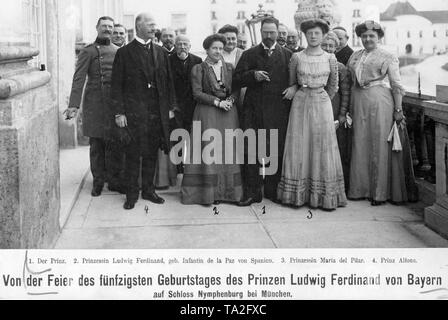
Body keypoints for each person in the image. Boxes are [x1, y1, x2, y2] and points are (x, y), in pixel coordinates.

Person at [277, 19, 347, 211]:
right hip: (300, 102)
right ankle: (297, 194)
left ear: (323, 35)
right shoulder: (296, 57)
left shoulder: (330, 58)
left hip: (322, 102)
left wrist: (320, 96)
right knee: (300, 144)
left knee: (322, 145)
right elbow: (292, 82)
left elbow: (333, 86)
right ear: (305, 35)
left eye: (317, 33)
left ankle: (322, 195)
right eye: (310, 33)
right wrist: (299, 90)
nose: (313, 36)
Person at [110, 13, 178, 210]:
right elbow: (116, 86)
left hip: (157, 114)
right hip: (133, 114)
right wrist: (119, 113)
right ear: (138, 26)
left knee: (151, 154)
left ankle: (148, 190)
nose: (154, 28)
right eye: (150, 24)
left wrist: (171, 108)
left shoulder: (160, 52)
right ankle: (132, 194)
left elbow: (168, 82)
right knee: (132, 154)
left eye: (155, 24)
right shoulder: (124, 53)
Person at [347, 20, 418, 206]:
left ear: (378, 38)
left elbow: (396, 84)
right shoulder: (355, 55)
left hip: (380, 102)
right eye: (364, 36)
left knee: (379, 144)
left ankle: (380, 193)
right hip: (358, 102)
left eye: (371, 36)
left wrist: (398, 109)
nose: (367, 39)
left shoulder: (388, 56)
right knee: (360, 143)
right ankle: (360, 189)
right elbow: (348, 79)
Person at [234, 17, 293, 206]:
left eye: (272, 32)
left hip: (278, 110)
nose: (269, 36)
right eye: (265, 32)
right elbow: (236, 79)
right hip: (253, 110)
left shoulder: (288, 55)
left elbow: (297, 79)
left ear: (278, 32)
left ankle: (272, 189)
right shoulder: (249, 54)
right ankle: (252, 192)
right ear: (260, 32)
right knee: (252, 150)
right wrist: (253, 75)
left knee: (275, 149)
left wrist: (295, 88)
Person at [64, 16, 125, 197]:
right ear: (97, 27)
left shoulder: (118, 51)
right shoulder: (88, 51)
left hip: (114, 103)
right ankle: (98, 181)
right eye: (104, 26)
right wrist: (73, 105)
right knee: (97, 143)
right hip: (95, 103)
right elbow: (79, 78)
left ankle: (114, 181)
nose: (107, 29)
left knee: (114, 143)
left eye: (110, 27)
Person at [181, 34, 243, 205]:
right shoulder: (198, 69)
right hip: (207, 112)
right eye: (214, 48)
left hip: (228, 114)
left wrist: (230, 100)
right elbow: (197, 93)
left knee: (227, 150)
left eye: (220, 48)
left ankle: (229, 193)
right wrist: (217, 102)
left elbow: (236, 89)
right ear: (207, 49)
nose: (218, 51)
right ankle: (208, 194)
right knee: (209, 151)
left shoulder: (229, 68)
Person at [321, 31, 352, 191]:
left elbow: (346, 94)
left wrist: (341, 116)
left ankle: (339, 185)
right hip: (318, 108)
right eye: (324, 45)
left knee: (338, 147)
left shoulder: (341, 68)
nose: (327, 48)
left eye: (331, 46)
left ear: (336, 47)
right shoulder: (315, 64)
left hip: (334, 108)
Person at [169, 35, 203, 132]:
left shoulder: (197, 61)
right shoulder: (168, 61)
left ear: (190, 46)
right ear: (175, 46)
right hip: (175, 105)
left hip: (192, 104)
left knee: (192, 133)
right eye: (179, 44)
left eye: (185, 44)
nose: (183, 47)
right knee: (176, 134)